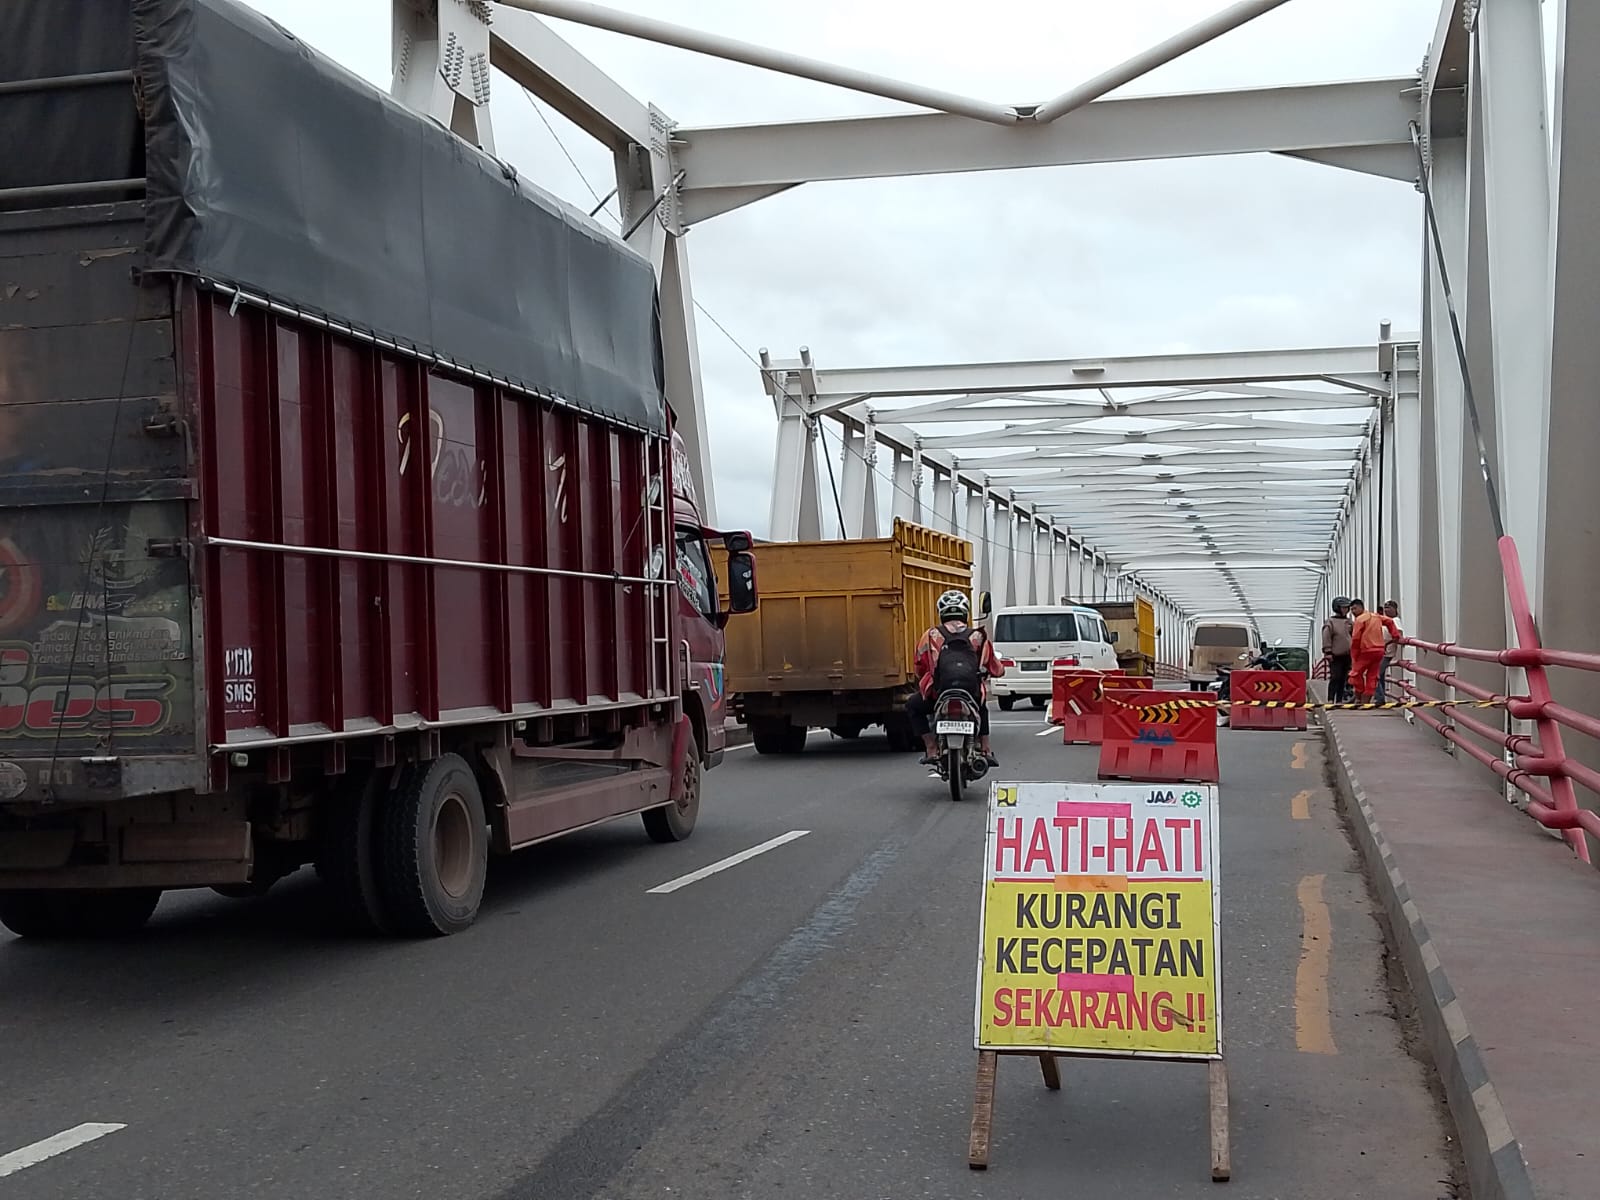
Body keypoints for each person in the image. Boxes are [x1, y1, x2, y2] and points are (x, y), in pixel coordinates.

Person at [908, 589, 1004, 767]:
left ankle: (931, 747)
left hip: (938, 693)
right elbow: (996, 669)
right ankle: (985, 748)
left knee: (913, 706)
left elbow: (919, 666)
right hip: (972, 693)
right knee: (982, 708)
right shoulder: (978, 637)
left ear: (941, 613)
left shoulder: (930, 636)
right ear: (965, 612)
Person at [1348, 599, 1400, 704]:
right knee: (1372, 676)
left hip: (1365, 651)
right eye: (1351, 609)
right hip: (1379, 650)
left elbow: (1356, 638)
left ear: (1361, 608)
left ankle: (1359, 696)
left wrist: (1354, 655)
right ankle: (1366, 700)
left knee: (1355, 674)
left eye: (1354, 608)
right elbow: (1389, 622)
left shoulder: (1360, 620)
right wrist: (1395, 635)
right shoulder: (1376, 616)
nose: (1353, 611)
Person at [1320, 597, 1353, 703]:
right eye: (1344, 607)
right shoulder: (1331, 622)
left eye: (1347, 607)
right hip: (1335, 654)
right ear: (1337, 608)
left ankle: (1339, 700)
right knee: (1335, 677)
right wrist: (1327, 651)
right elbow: (1326, 636)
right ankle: (1330, 699)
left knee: (1343, 678)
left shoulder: (1349, 622)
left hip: (1347, 655)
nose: (1346, 610)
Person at [1376, 600, 1403, 703]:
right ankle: (1380, 697)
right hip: (1382, 650)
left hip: (1387, 651)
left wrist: (1388, 643)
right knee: (1381, 675)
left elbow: (1399, 634)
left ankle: (1379, 698)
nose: (1386, 610)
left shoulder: (1395, 620)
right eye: (1385, 608)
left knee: (1376, 674)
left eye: (1389, 608)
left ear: (1395, 609)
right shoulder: (1386, 620)